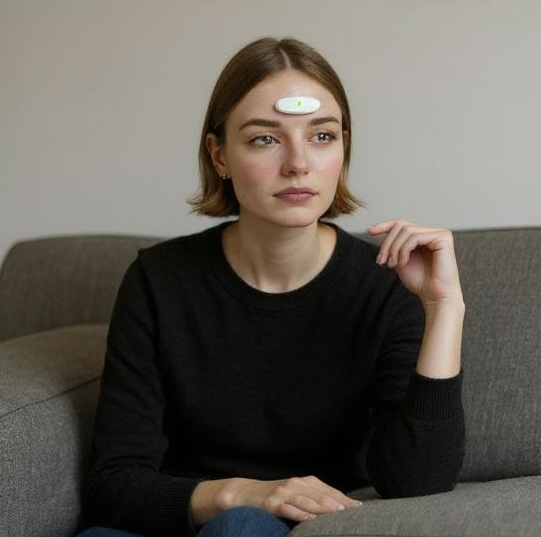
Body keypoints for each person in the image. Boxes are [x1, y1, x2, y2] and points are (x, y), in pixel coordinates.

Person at [77, 36, 466, 537]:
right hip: (184, 517)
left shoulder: (386, 285)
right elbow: (113, 484)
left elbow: (419, 481)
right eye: (265, 138)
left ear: (343, 149)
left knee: (241, 528)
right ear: (219, 155)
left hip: (295, 527)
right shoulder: (158, 280)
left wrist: (444, 307)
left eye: (322, 136)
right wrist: (240, 493)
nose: (298, 163)